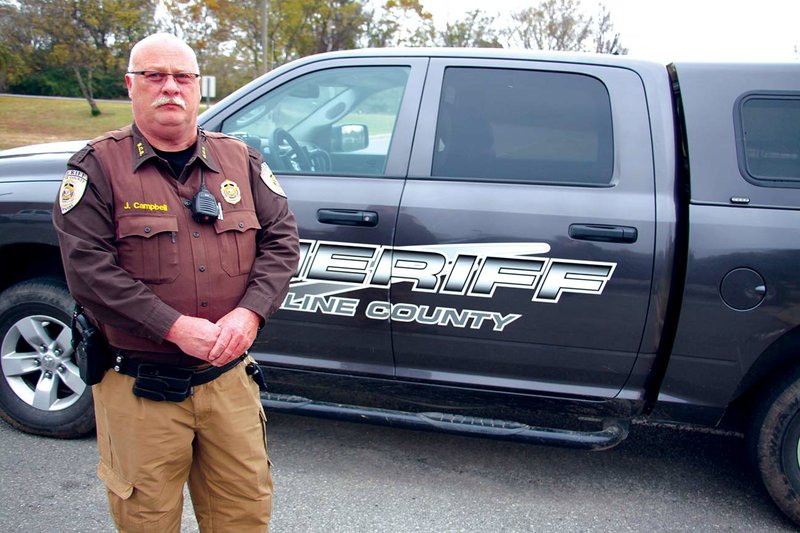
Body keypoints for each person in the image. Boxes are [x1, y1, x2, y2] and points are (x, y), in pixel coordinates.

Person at [53, 33, 299, 532]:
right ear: (131, 86)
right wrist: (173, 327)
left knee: (244, 515)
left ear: (197, 87)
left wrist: (249, 312)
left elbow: (282, 242)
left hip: (228, 383)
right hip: (141, 388)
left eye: (182, 77)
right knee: (146, 520)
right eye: (155, 76)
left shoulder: (241, 162)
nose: (171, 88)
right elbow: (89, 271)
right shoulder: (97, 167)